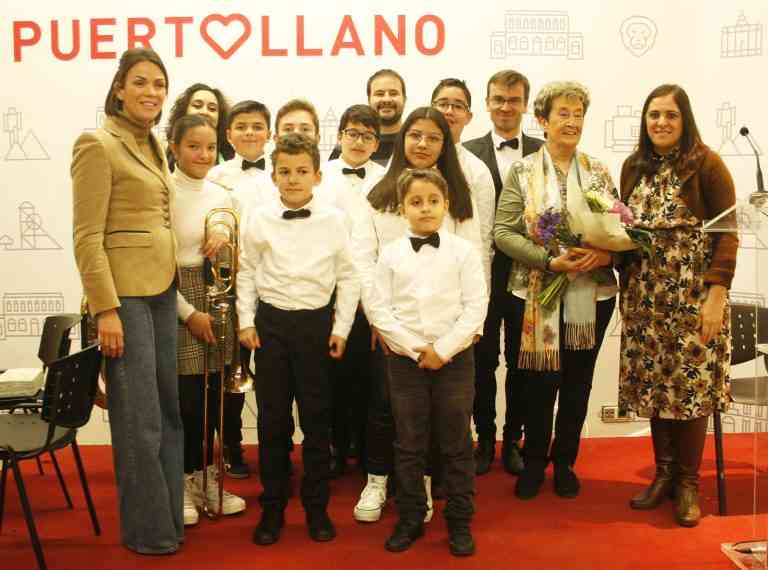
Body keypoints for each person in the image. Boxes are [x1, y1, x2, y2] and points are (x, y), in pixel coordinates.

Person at [71, 47, 183, 554]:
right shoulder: (96, 143)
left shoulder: (154, 143)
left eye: (159, 84)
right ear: (119, 88)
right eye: (141, 82)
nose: (151, 92)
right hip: (125, 300)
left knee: (166, 414)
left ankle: (169, 521)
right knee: (139, 422)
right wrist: (106, 309)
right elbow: (87, 237)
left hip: (161, 290)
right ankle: (148, 533)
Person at [351, 107, 482, 524]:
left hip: (449, 331)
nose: (422, 144)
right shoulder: (376, 192)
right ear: (401, 138)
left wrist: (468, 330)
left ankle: (430, 487)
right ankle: (378, 480)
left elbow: (476, 260)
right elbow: (363, 258)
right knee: (384, 408)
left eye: (433, 137)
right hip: (391, 326)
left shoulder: (459, 197)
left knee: (444, 420)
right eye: (415, 135)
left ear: (446, 144)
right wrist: (379, 321)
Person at [618, 84, 737, 527]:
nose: (661, 123)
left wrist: (716, 296)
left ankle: (689, 483)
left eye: (670, 115)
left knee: (690, 390)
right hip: (646, 299)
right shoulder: (633, 167)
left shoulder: (707, 164)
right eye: (653, 115)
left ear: (685, 120)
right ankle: (664, 476)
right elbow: (623, 230)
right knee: (655, 387)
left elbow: (728, 235)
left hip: (692, 297)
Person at [494, 81, 617, 501]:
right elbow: (502, 233)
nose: (572, 121)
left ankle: (564, 462)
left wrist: (604, 256)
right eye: (563, 113)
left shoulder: (599, 171)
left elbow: (621, 233)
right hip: (535, 294)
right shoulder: (523, 172)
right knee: (539, 383)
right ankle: (532, 464)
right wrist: (548, 261)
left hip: (593, 297)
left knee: (578, 384)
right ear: (542, 121)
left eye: (578, 113)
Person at [237, 133, 360, 545]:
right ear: (273, 176)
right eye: (285, 172)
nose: (293, 180)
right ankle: (272, 510)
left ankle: (317, 510)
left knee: (317, 425)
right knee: (272, 424)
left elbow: (348, 276)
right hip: (270, 328)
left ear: (318, 176)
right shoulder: (259, 218)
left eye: (301, 172)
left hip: (316, 328)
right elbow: (247, 272)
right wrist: (245, 321)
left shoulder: (334, 221)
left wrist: (341, 328)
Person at [369, 168, 487, 556]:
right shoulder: (389, 255)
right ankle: (410, 517)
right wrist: (416, 348)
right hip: (406, 361)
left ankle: (459, 520)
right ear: (402, 208)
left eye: (432, 201)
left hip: (455, 359)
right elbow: (380, 310)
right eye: (416, 202)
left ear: (446, 205)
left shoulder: (464, 252)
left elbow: (475, 307)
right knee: (408, 442)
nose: (425, 209)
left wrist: (444, 349)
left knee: (456, 441)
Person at [168, 114, 247, 525]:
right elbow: (157, 266)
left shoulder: (224, 194)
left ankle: (207, 477)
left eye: (208, 146)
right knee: (188, 403)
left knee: (222, 401)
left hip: (220, 297)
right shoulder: (163, 192)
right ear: (174, 148)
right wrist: (188, 313)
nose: (202, 154)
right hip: (180, 297)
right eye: (192, 146)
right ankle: (182, 481)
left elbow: (240, 257)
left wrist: (228, 245)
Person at [464, 69, 543, 475]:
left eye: (514, 100)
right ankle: (484, 439)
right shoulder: (465, 151)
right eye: (498, 99)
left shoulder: (545, 152)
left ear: (525, 105)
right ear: (487, 102)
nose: (506, 107)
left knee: (521, 363)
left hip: (529, 276)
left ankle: (515, 439)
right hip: (478, 277)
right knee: (480, 363)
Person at [321, 104, 386, 476]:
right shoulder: (321, 176)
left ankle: (365, 448)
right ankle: (333, 445)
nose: (359, 141)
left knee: (367, 375)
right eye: (352, 133)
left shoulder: (388, 177)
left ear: (377, 142)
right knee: (329, 374)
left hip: (373, 291)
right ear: (340, 135)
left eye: (367, 135)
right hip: (327, 290)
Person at [328, 69, 407, 165]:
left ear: (404, 99)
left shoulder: (414, 143)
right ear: (369, 100)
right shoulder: (347, 144)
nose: (387, 99)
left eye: (393, 93)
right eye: (379, 94)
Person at [165, 82, 234, 170]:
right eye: (197, 106)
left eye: (212, 109)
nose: (205, 112)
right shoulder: (166, 154)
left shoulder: (230, 153)